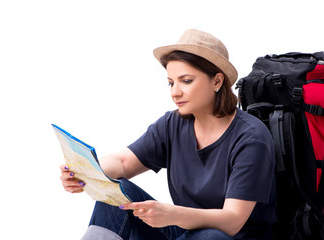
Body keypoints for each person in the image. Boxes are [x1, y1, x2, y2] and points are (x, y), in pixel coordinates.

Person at [60, 29, 276, 240]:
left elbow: (233, 220)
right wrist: (83, 171)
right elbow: (124, 162)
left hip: (226, 235)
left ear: (217, 81)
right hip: (185, 232)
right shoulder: (173, 123)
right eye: (171, 82)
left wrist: (172, 214)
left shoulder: (251, 138)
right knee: (119, 191)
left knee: (211, 236)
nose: (175, 92)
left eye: (186, 81)